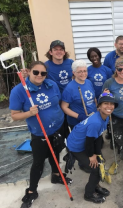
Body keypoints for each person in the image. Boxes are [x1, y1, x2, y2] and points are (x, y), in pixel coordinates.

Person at [9, 61, 72, 208]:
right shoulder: (19, 91)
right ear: (29, 71)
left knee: (55, 153)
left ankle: (56, 176)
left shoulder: (51, 84)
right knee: (38, 162)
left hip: (58, 127)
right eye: (36, 72)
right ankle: (32, 191)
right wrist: (29, 113)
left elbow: (58, 102)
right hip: (40, 133)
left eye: (43, 73)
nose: (39, 75)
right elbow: (14, 116)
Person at [67, 93, 117, 203]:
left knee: (100, 162)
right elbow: (89, 142)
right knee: (96, 169)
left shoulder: (105, 117)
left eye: (111, 104)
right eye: (106, 103)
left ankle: (95, 185)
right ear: (99, 106)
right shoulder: (95, 122)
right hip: (76, 146)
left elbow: (98, 136)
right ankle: (88, 194)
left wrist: (98, 154)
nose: (109, 106)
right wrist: (91, 156)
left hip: (86, 142)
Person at [45, 40, 73, 139]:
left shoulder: (70, 63)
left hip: (71, 100)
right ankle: (64, 148)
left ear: (64, 52)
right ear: (50, 52)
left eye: (61, 49)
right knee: (62, 127)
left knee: (74, 124)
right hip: (57, 102)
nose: (59, 52)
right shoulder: (46, 66)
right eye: (55, 49)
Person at [61, 60, 97, 130]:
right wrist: (79, 116)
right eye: (80, 71)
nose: (83, 73)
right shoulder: (69, 88)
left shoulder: (88, 82)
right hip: (78, 122)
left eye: (85, 71)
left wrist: (97, 109)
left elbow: (94, 98)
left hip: (92, 118)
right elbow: (64, 107)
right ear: (74, 73)